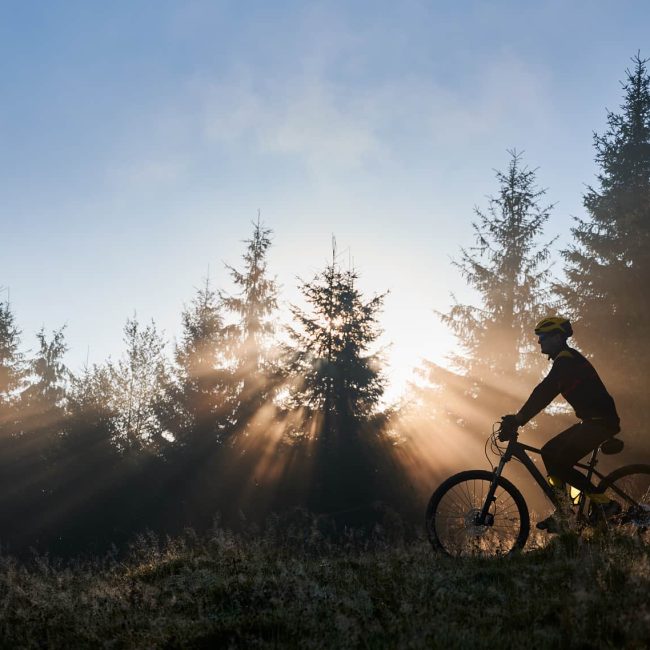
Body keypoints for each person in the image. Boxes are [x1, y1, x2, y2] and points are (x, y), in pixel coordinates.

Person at [500, 316, 621, 532]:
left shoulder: (566, 360)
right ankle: (565, 510)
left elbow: (545, 392)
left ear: (557, 337)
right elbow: (545, 392)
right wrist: (519, 419)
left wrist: (518, 420)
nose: (539, 342)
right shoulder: (564, 360)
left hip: (600, 422)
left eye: (543, 337)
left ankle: (604, 504)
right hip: (593, 421)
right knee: (548, 453)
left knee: (562, 462)